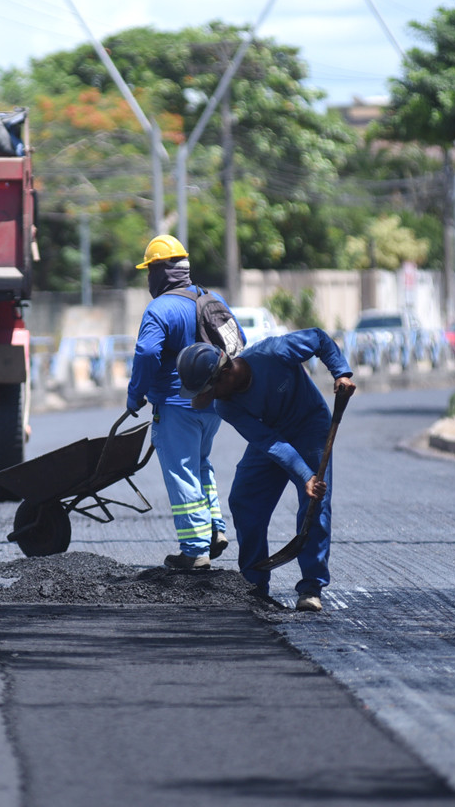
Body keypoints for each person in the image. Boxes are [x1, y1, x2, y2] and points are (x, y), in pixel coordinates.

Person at [177, 332, 355, 612]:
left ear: (224, 376)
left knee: (315, 501)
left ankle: (311, 587)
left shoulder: (273, 352)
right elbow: (269, 442)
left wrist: (341, 372)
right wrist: (303, 475)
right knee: (243, 499)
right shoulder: (225, 405)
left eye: (208, 392)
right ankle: (254, 584)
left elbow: (319, 339)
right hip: (271, 437)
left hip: (310, 428)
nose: (209, 400)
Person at [126, 234, 242, 571]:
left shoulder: (160, 308)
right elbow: (238, 341)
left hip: (177, 407)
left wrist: (136, 395)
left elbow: (147, 352)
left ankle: (194, 550)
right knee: (202, 465)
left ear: (160, 271)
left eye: (149, 270)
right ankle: (215, 531)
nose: (148, 278)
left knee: (182, 473)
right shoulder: (212, 298)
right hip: (213, 405)